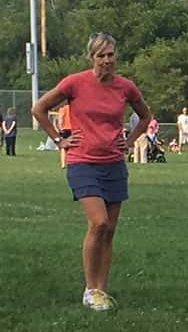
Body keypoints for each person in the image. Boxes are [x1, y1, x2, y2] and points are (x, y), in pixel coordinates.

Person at [31, 31, 151, 312]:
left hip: (113, 163)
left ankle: (101, 289)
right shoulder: (75, 83)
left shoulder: (125, 87)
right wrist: (59, 139)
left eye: (111, 55)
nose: (108, 60)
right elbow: (39, 109)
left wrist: (130, 141)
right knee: (98, 223)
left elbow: (145, 115)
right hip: (82, 162)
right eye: (102, 55)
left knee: (109, 230)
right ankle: (90, 289)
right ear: (92, 57)